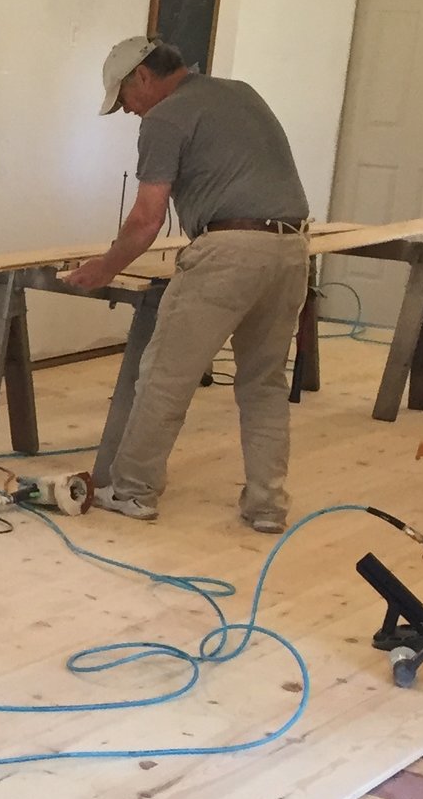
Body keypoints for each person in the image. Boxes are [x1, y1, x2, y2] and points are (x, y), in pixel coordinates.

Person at [63, 36, 311, 533]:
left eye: (125, 100)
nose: (129, 112)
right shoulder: (240, 92)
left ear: (142, 78)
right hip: (293, 248)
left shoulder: (164, 117)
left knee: (163, 378)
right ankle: (266, 506)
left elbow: (146, 218)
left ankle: (133, 492)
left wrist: (105, 267)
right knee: (263, 383)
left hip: (230, 251)